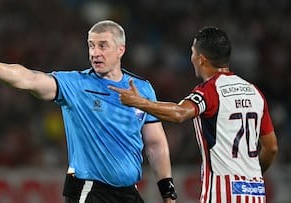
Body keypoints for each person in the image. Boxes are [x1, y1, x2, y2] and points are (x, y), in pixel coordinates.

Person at [0, 20, 177, 203]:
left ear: (121, 50)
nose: (94, 52)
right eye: (90, 45)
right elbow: (29, 79)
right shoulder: (75, 85)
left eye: (102, 46)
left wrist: (167, 192)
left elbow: (155, 143)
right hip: (90, 191)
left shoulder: (142, 89)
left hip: (128, 192)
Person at [109, 26, 278, 203]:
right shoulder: (254, 92)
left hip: (221, 194)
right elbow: (271, 148)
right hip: (255, 194)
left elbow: (180, 113)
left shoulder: (211, 91)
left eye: (192, 53)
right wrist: (251, 175)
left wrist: (139, 102)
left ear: (201, 59)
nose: (191, 58)